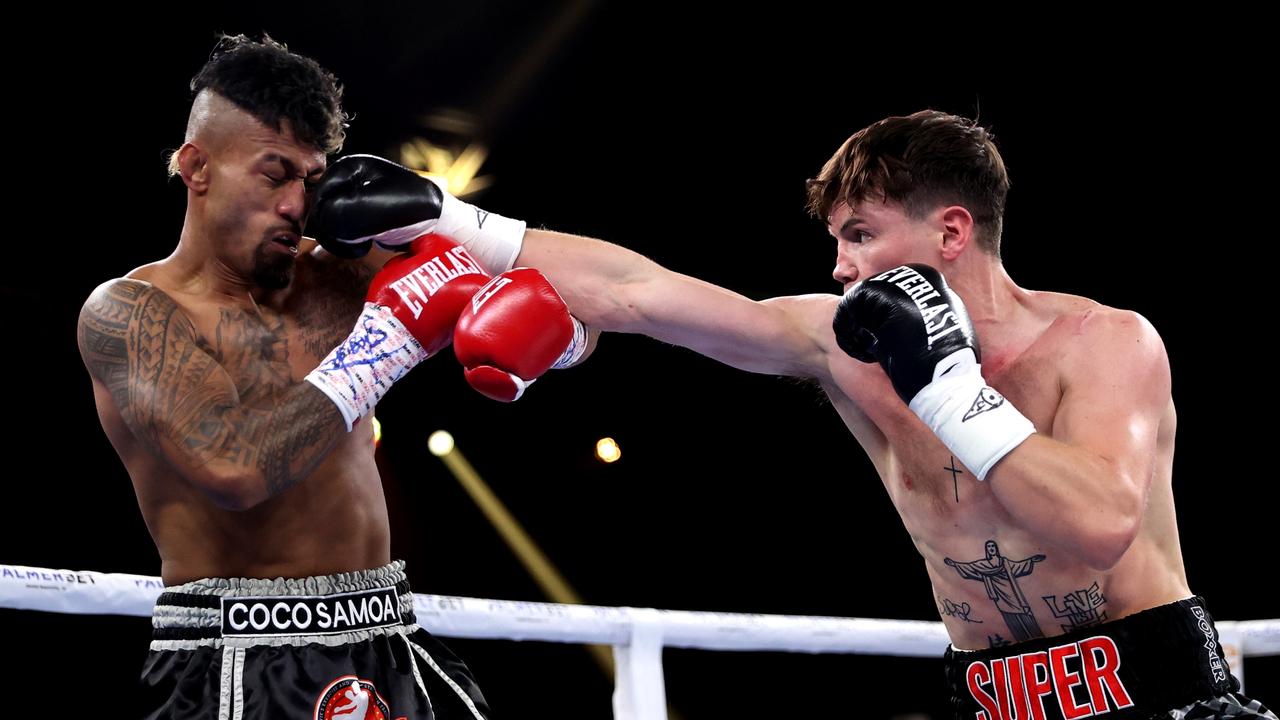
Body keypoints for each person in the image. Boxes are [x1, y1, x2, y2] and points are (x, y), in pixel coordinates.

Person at [307, 111, 1275, 719]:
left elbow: (1100, 525)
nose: (839, 269)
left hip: (1150, 693)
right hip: (984, 696)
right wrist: (455, 224)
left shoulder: (1103, 345)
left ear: (949, 232)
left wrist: (945, 387)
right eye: (833, 241)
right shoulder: (838, 346)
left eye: (858, 236)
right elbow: (643, 293)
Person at [75, 34, 587, 719]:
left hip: (390, 635)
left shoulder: (337, 276)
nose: (297, 203)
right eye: (274, 173)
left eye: (312, 181)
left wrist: (554, 340)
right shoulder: (132, 312)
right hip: (240, 657)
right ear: (197, 167)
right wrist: (391, 341)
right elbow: (234, 468)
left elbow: (579, 306)